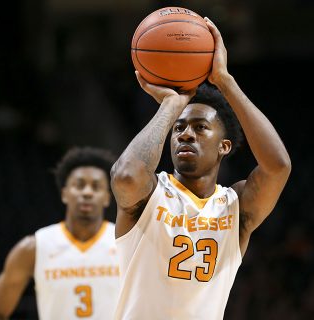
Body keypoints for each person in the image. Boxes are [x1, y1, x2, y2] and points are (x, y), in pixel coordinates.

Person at [110, 16, 291, 320]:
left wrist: (224, 80)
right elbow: (126, 175)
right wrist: (170, 105)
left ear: (225, 146)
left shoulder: (236, 208)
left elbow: (278, 167)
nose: (185, 133)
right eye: (179, 127)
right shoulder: (151, 195)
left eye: (200, 127)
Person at [0, 147, 120, 320]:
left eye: (96, 187)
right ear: (64, 194)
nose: (87, 192)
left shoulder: (125, 243)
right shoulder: (33, 247)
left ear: (107, 197)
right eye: (79, 185)